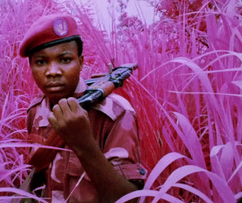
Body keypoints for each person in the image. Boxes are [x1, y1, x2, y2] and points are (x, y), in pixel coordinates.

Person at [18, 13, 147, 203]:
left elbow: (128, 199)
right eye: (41, 62)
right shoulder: (36, 110)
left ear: (80, 63)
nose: (52, 71)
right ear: (31, 67)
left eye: (64, 59)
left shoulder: (116, 112)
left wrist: (83, 143)